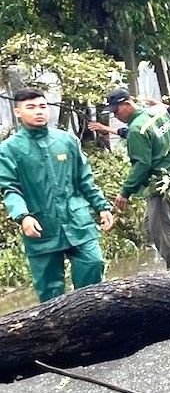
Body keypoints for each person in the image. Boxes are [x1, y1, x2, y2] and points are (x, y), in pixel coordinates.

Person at [0, 88, 115, 301]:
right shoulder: (9, 149)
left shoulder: (66, 141)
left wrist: (102, 206)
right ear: (18, 113)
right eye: (31, 107)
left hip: (77, 220)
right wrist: (23, 216)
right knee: (50, 292)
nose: (39, 112)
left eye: (43, 106)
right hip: (41, 226)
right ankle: (60, 333)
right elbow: (10, 189)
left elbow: (84, 179)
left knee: (93, 264)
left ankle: (90, 322)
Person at [89, 97, 170, 268]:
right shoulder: (159, 116)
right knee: (150, 225)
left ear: (127, 104)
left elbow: (141, 164)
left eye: (116, 111)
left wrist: (125, 191)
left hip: (159, 184)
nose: (116, 116)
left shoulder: (137, 129)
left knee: (162, 229)